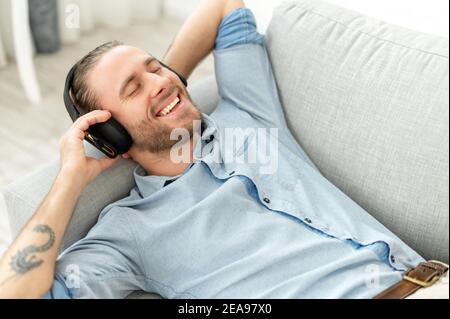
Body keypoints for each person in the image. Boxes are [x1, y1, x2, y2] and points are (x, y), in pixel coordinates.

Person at [0, 0, 446, 299]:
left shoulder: (247, 114)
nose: (160, 81)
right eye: (134, 88)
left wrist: (163, 88)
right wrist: (69, 178)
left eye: (155, 67)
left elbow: (224, 6)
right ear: (110, 133)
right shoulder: (129, 232)